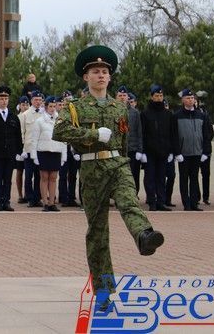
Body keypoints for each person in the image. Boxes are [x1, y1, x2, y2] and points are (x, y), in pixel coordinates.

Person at [53, 45, 164, 307]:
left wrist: (124, 161)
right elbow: (59, 133)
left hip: (117, 163)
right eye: (95, 72)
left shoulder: (119, 108)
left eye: (104, 72)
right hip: (92, 170)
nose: (100, 75)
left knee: (129, 200)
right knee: (98, 231)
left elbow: (124, 139)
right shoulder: (74, 108)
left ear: (110, 77)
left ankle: (144, 235)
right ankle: (103, 290)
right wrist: (92, 136)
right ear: (86, 77)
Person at [171, 89, 213, 211]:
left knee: (194, 178)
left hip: (197, 152)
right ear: (183, 100)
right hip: (184, 153)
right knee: (184, 179)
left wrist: (206, 151)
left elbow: (206, 135)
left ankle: (194, 203)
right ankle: (186, 203)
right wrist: (177, 152)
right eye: (188, 98)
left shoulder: (201, 115)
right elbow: (174, 136)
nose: (191, 100)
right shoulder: (177, 116)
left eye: (192, 98)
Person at [28, 96, 67, 211]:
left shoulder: (60, 120)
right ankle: (45, 202)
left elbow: (64, 139)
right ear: (45, 107)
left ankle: (52, 202)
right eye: (50, 106)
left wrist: (64, 155)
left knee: (54, 177)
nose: (53, 108)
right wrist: (34, 155)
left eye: (54, 106)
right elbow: (34, 139)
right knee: (44, 177)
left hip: (56, 151)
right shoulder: (39, 121)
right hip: (43, 151)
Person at [140, 85, 174, 211]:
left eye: (160, 96)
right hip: (149, 152)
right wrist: (142, 151)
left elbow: (172, 133)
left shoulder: (168, 114)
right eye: (156, 96)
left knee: (161, 178)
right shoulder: (145, 113)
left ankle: (161, 201)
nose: (159, 98)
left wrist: (172, 151)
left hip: (164, 151)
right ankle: (152, 202)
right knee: (150, 178)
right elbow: (142, 133)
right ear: (151, 97)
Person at [19, 90, 44, 207]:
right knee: (29, 175)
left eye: (40, 100)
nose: (38, 102)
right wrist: (22, 150)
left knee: (39, 175)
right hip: (28, 149)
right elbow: (22, 133)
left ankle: (37, 197)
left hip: (40, 149)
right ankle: (29, 198)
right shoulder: (25, 115)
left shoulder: (44, 114)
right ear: (31, 101)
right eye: (36, 100)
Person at [117, 87, 144, 195]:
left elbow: (139, 132)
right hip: (118, 149)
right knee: (119, 175)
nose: (122, 98)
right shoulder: (112, 111)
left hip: (131, 149)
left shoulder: (135, 113)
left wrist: (139, 150)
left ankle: (133, 195)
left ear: (128, 97)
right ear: (116, 97)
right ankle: (120, 196)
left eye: (124, 96)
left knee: (133, 174)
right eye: (120, 95)